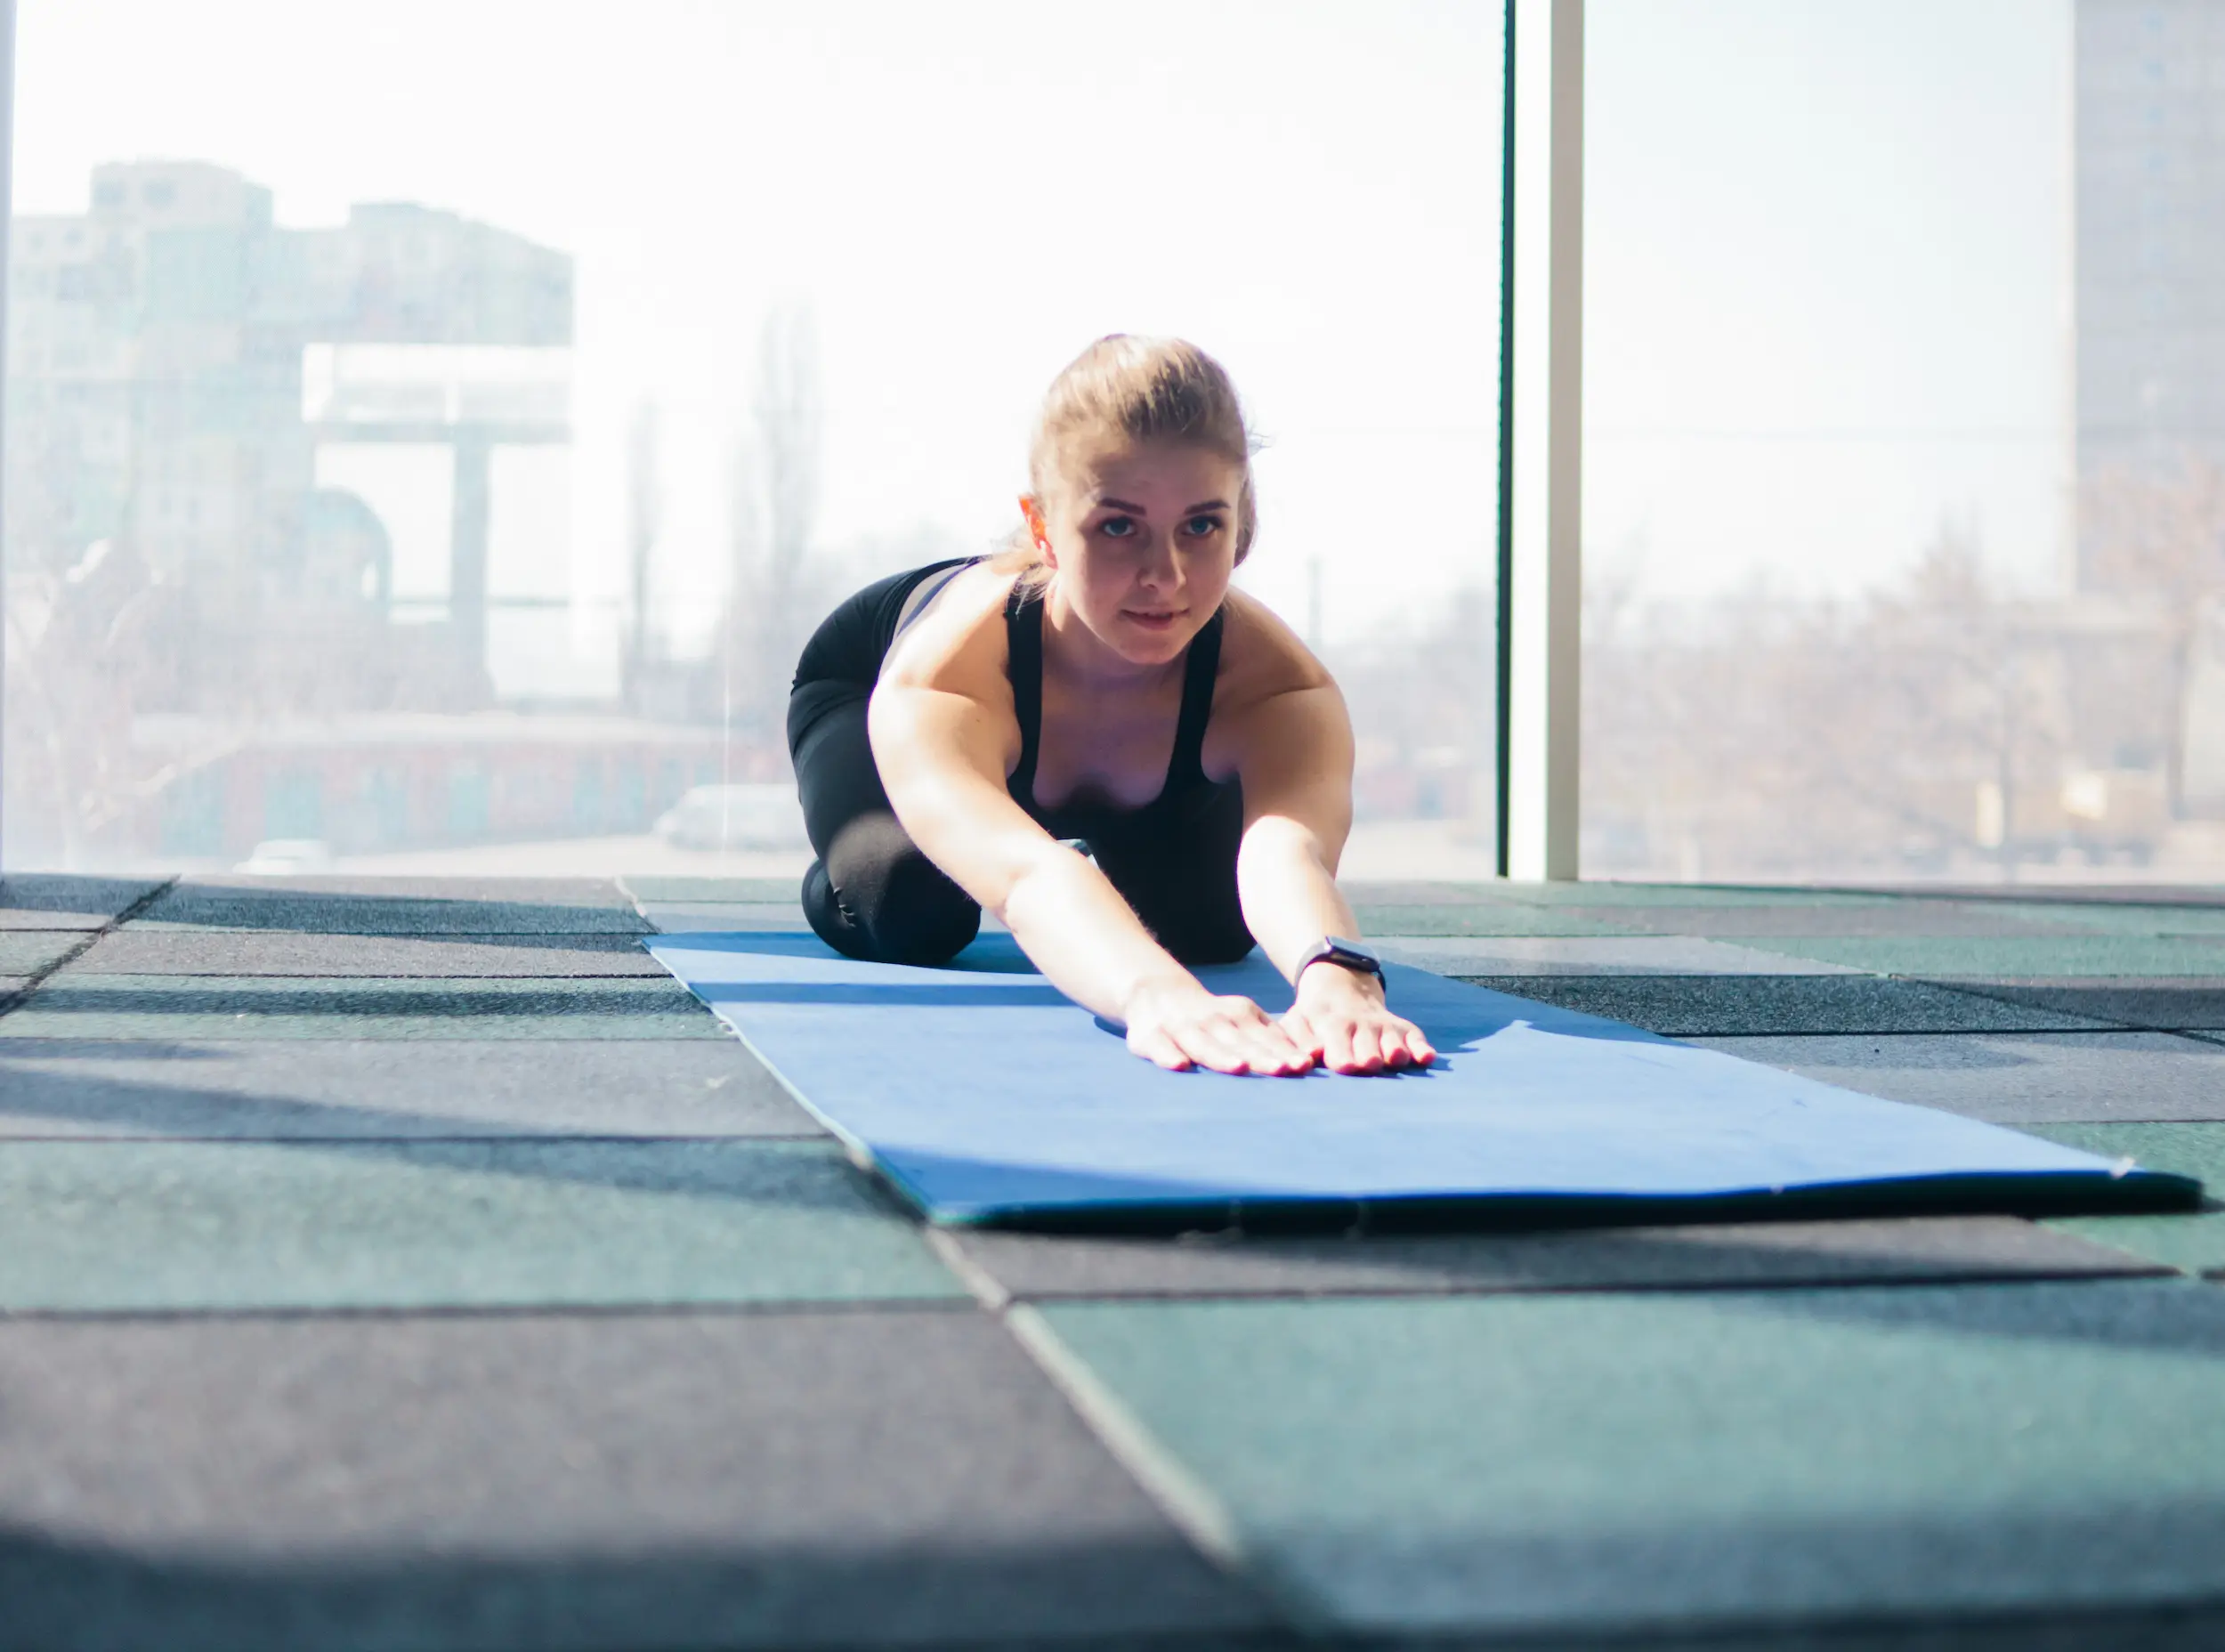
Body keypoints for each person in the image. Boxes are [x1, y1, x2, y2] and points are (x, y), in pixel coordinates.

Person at [787, 335, 1435, 1079]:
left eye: (1201, 526)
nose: (1166, 576)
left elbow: (1287, 849)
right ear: (1043, 529)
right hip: (862, 679)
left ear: (1241, 523)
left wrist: (1337, 976)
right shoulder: (947, 668)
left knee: (1211, 927)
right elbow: (1025, 877)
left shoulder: (1276, 684)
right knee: (903, 903)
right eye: (1118, 527)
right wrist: (1155, 994)